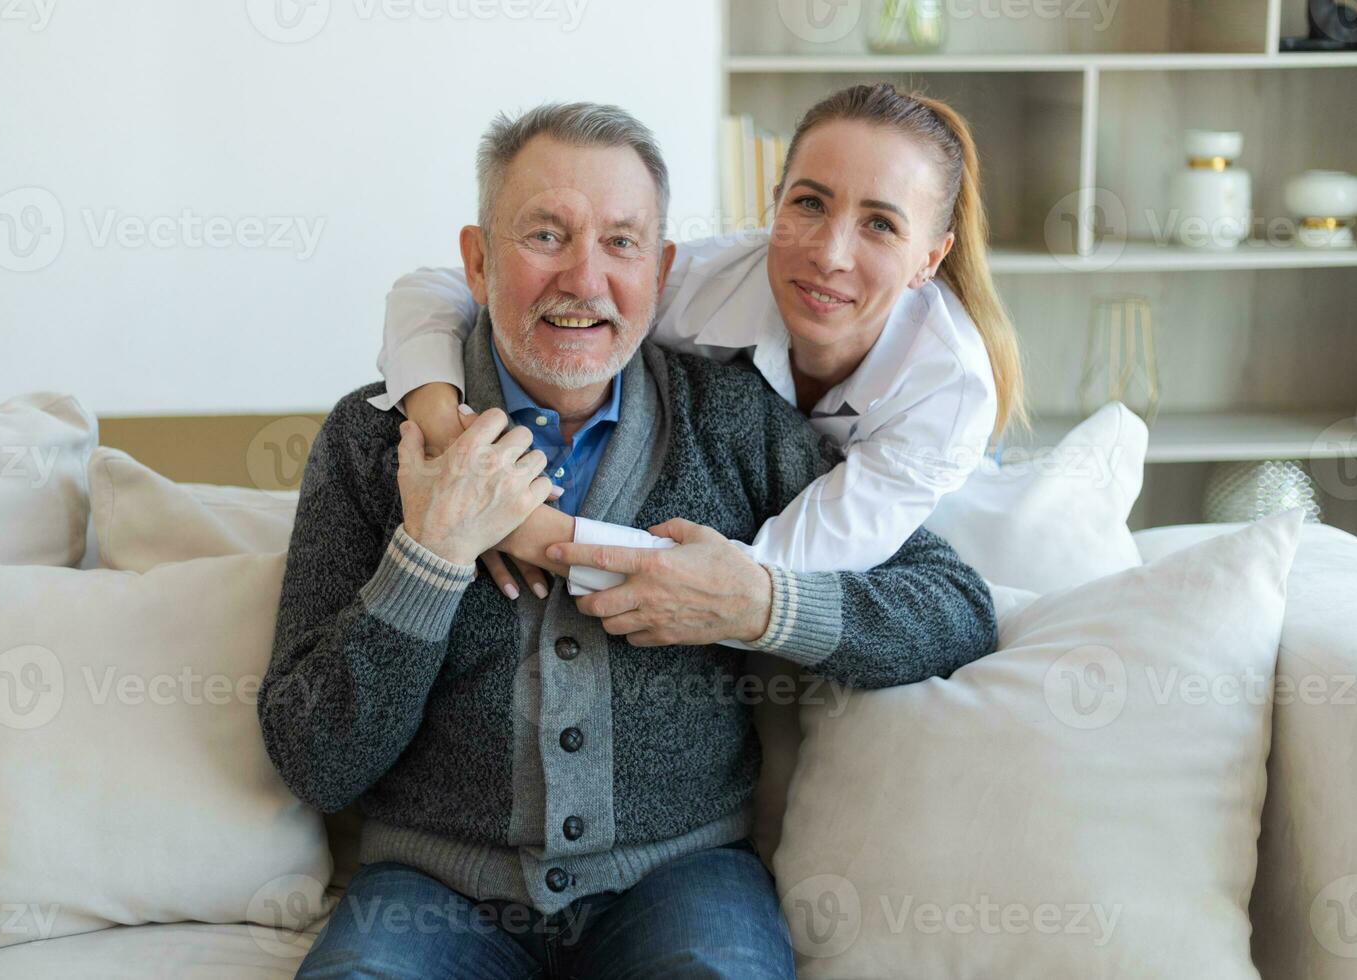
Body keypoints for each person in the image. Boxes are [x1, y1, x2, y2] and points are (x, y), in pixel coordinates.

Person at [260, 101, 998, 979]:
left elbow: (955, 610)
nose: (584, 278)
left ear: (662, 270)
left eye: (621, 243)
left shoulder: (738, 421)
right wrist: (430, 557)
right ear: (478, 260)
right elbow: (313, 759)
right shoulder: (370, 440)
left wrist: (764, 601)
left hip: (681, 882)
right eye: (544, 235)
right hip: (429, 892)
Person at [375, 82, 1026, 622]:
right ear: (773, 204)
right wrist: (444, 430)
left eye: (880, 224)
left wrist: (525, 529)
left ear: (930, 260)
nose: (829, 255)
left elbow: (751, 578)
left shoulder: (948, 389)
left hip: (930, 504)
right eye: (809, 203)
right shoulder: (698, 285)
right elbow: (438, 288)